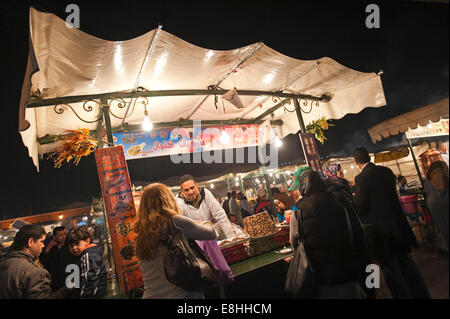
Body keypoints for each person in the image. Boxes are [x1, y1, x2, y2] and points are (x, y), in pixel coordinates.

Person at [352, 146, 431, 299]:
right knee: (409, 266)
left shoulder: (361, 178)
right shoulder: (387, 172)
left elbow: (361, 206)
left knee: (393, 272)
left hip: (383, 233)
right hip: (399, 226)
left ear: (356, 162)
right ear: (369, 157)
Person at [288, 167, 366, 299]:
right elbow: (351, 234)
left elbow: (294, 242)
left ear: (303, 188)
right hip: (347, 271)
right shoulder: (338, 203)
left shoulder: (298, 213)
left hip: (322, 276)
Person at [135, 183, 217, 299]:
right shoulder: (175, 222)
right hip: (180, 295)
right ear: (168, 200)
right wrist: (204, 223)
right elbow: (211, 234)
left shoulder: (140, 233)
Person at [321, 165, 376, 299]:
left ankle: (372, 292)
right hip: (355, 236)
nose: (341, 172)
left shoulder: (340, 188)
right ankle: (372, 293)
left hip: (354, 236)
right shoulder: (336, 192)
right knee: (366, 270)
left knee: (365, 271)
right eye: (338, 170)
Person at [0, 224, 72, 299]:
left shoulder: (3, 262)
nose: (43, 245)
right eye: (41, 241)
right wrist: (67, 290)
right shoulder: (34, 273)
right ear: (30, 242)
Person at [177, 174, 236, 239]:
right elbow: (178, 223)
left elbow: (220, 215)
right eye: (186, 190)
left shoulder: (205, 193)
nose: (190, 192)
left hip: (209, 234)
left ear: (196, 185)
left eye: (192, 188)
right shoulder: (178, 202)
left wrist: (231, 238)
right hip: (194, 239)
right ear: (182, 191)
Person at [66, 225, 107, 299]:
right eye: (71, 245)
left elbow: (90, 281)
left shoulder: (88, 255)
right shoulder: (89, 253)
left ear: (87, 241)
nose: (74, 248)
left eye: (77, 243)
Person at [39, 226, 80, 291]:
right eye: (60, 235)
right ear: (54, 237)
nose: (64, 236)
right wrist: (48, 249)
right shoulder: (51, 248)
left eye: (64, 234)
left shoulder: (70, 246)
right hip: (56, 283)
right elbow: (43, 262)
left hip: (71, 280)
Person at [423, 160, 449, 254]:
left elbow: (425, 191)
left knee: (439, 225)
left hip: (432, 203)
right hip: (443, 202)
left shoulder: (428, 177)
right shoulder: (442, 173)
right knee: (446, 224)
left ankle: (442, 246)